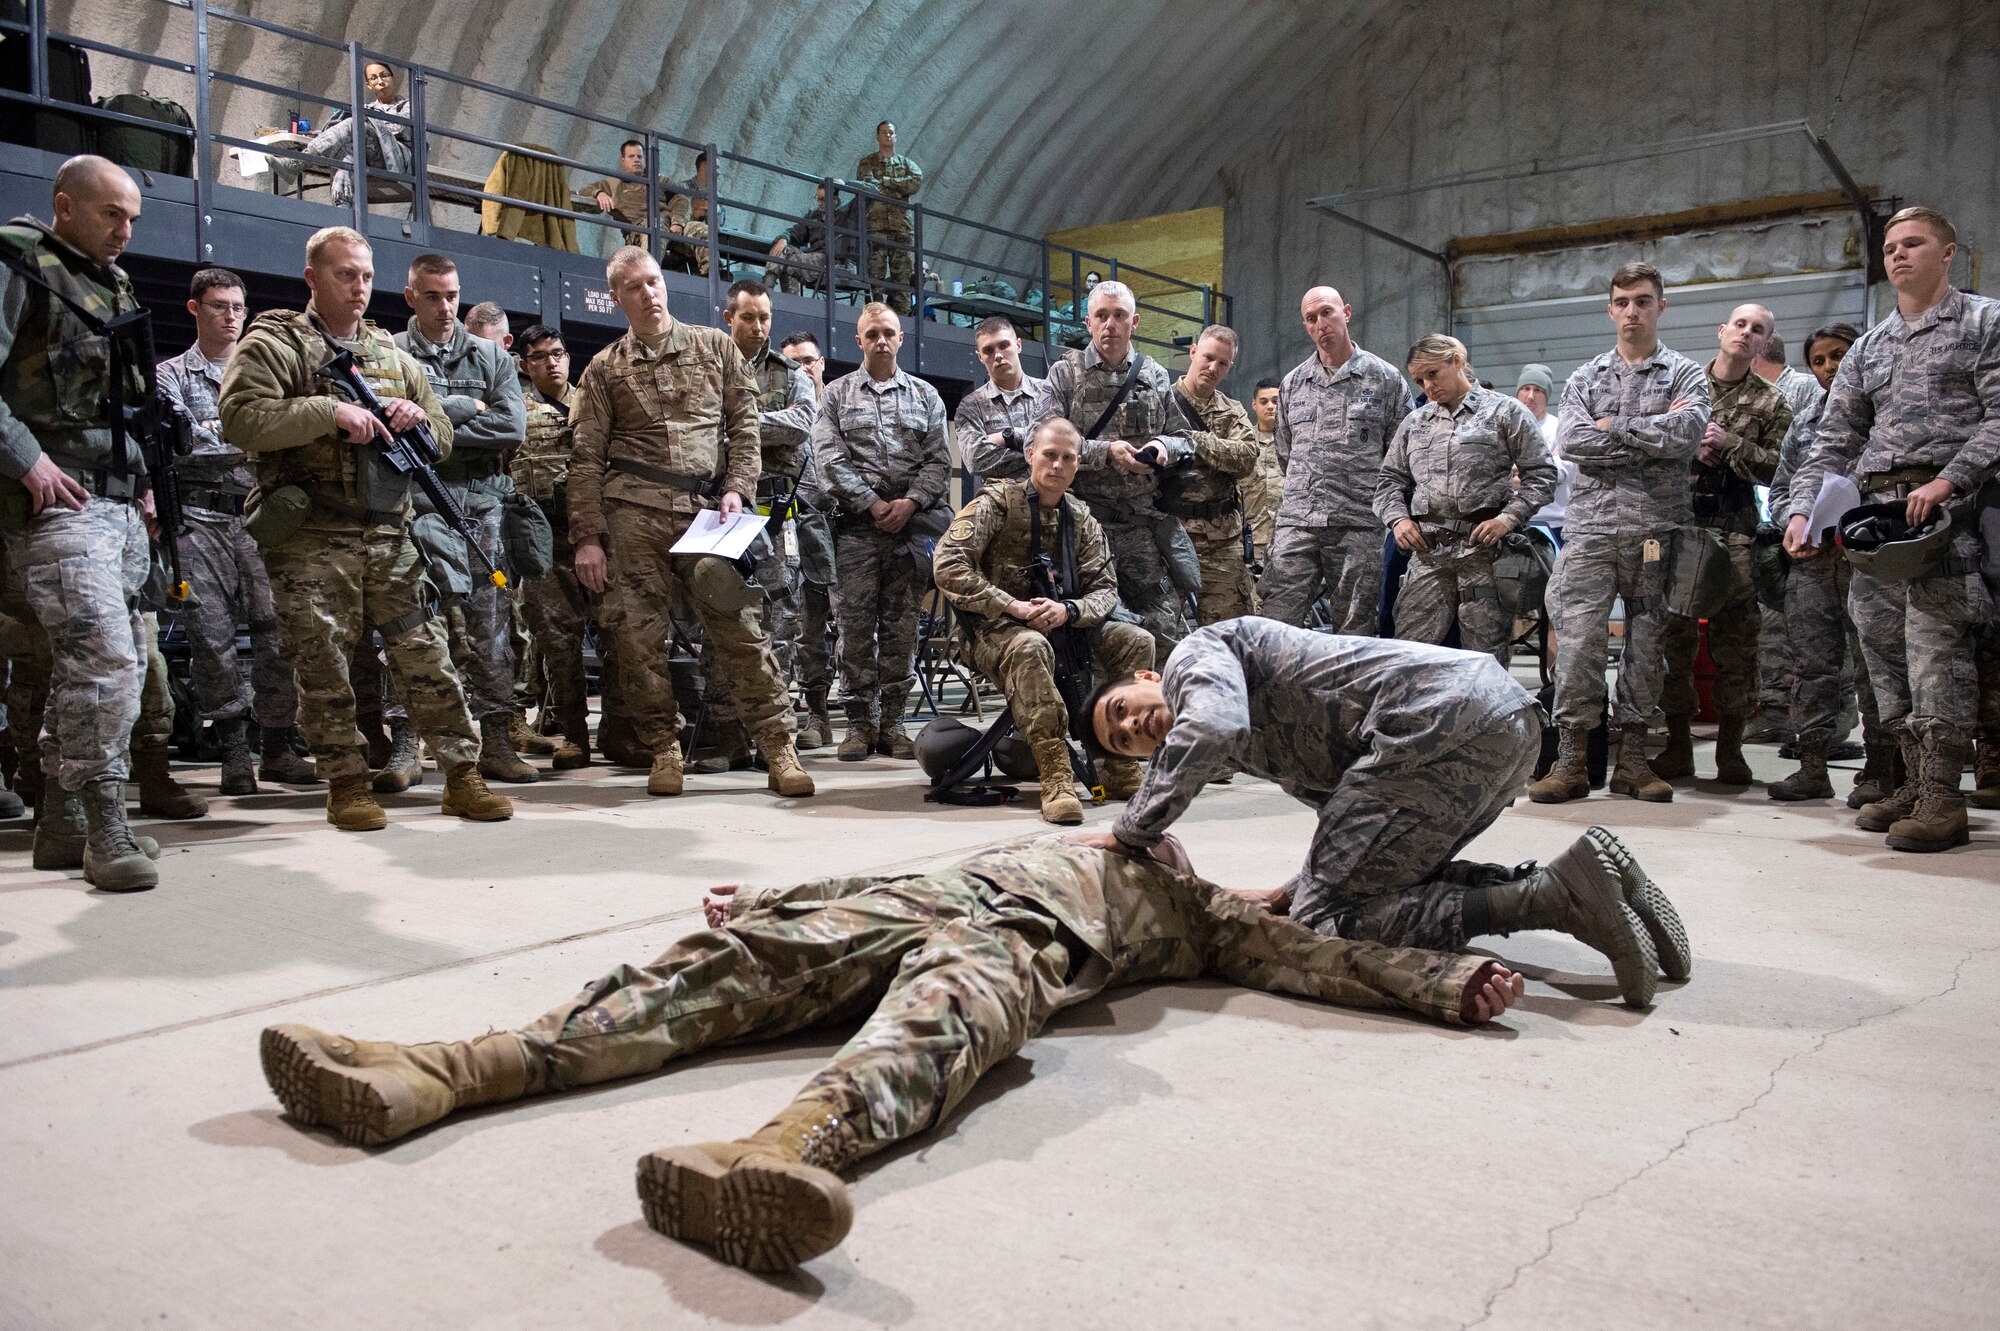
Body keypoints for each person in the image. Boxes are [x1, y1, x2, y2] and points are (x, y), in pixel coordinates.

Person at [258, 830, 1539, 1272]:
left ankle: (771, 1155)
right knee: (698, 978)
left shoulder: (1191, 909)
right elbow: (894, 869)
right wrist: (775, 895)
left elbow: (1316, 954)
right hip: (916, 900)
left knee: (936, 1034)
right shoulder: (1046, 830)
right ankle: (428, 1070)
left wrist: (1440, 977)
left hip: (1016, 947)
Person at [1074, 618, 1687, 1012]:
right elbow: (1348, 813)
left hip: (1431, 721)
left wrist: (1132, 832)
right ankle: (1596, 881)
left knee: (1323, 923)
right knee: (1365, 886)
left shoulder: (1193, 660)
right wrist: (1295, 887)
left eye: (1124, 709)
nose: (1132, 726)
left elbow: (1210, 726)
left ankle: (1551, 898)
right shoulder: (1245, 734)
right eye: (1124, 740)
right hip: (1502, 721)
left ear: (1146, 676)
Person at [218, 224, 514, 831]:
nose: (358, 288)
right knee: (323, 664)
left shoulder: (393, 357)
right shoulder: (276, 345)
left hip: (387, 532)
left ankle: (463, 774)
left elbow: (442, 435)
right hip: (311, 536)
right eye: (344, 275)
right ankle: (347, 783)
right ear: (312, 279)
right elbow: (241, 419)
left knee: (426, 654)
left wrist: (413, 417)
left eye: (366, 276)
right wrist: (329, 411)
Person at [1785, 206, 1999, 853]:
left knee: (1937, 650)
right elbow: (1834, 439)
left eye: (1913, 243)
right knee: (1882, 652)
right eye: (1890, 248)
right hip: (1877, 523)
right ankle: (1907, 780)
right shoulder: (1870, 347)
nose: (1898, 255)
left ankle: (1943, 797)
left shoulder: (1983, 322)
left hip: (1944, 517)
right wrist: (1802, 509)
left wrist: (1950, 479)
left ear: (1948, 251)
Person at [566, 247, 814, 799]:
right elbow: (584, 458)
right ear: (617, 298)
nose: (649, 293)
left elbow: (745, 427)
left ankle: (779, 746)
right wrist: (588, 536)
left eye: (654, 281)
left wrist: (737, 489)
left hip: (707, 513)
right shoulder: (604, 369)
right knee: (637, 638)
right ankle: (663, 747)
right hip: (633, 514)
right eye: (634, 287)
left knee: (740, 625)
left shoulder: (714, 347)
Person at [0, 156, 158, 889]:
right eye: (110, 215)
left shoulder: (111, 282)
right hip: (58, 503)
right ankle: (105, 825)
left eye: (131, 217)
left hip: (118, 502)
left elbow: (121, 404)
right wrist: (25, 458)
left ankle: (60, 823)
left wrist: (146, 485)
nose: (125, 230)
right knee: (108, 664)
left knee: (86, 666)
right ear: (65, 206)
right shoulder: (17, 261)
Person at [1528, 261, 1710, 805]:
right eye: (1623, 301)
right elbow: (1574, 442)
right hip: (1590, 532)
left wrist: (1616, 428)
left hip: (1656, 529)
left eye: (1643, 300)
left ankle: (1634, 761)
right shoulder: (1587, 376)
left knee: (1647, 646)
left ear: (1661, 306)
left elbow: (1688, 433)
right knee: (1580, 645)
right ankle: (1572, 762)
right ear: (1611, 309)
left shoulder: (1685, 374)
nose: (1633, 310)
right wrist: (1647, 433)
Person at [933, 418, 1153, 821]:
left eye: (1068, 458)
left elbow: (1106, 589)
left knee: (1136, 640)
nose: (1057, 466)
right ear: (1030, 454)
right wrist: (1011, 606)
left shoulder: (1081, 518)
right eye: (1049, 455)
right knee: (1030, 646)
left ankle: (1120, 764)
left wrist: (1068, 610)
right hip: (991, 629)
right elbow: (948, 564)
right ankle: (1055, 774)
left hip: (1064, 625)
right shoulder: (995, 504)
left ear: (1078, 464)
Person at [154, 267, 316, 794]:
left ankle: (275, 746)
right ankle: (231, 751)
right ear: (195, 309)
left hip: (261, 518)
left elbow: (286, 433)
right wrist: (254, 435)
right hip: (198, 523)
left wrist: (256, 431)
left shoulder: (264, 377)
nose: (231, 316)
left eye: (239, 307)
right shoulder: (170, 376)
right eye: (220, 305)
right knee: (212, 638)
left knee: (277, 634)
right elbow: (182, 444)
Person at [392, 254, 535, 784]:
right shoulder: (391, 352)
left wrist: (429, 425)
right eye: (432, 296)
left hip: (479, 512)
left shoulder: (489, 357)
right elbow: (388, 432)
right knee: (410, 628)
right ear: (411, 296)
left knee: (491, 629)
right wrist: (462, 410)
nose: (445, 306)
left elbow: (511, 429)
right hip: (413, 510)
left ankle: (495, 741)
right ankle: (406, 744)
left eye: (452, 295)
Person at [1651, 303, 1791, 787]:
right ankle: (1676, 747)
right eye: (1740, 324)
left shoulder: (1772, 403)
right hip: (1678, 526)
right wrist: (1685, 444)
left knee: (1737, 641)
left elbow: (1781, 469)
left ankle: (1731, 751)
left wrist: (1729, 444)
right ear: (1722, 330)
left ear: (1762, 344)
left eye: (1758, 330)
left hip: (1735, 529)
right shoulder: (1679, 384)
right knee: (1674, 639)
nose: (1746, 333)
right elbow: (1645, 441)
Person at [810, 301, 949, 760]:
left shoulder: (927, 396)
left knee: (901, 628)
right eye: (872, 334)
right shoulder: (835, 395)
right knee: (853, 628)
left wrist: (909, 503)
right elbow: (829, 460)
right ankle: (858, 724)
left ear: (901, 338)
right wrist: (871, 504)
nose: (881, 341)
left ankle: (892, 724)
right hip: (855, 532)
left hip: (909, 531)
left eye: (889, 332)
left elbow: (938, 460)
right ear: (859, 340)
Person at [1034, 280, 1196, 664]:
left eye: (1119, 315)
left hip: (1140, 527)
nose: (1110, 324)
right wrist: (1108, 453)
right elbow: (1038, 442)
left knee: (1164, 630)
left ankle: (1159, 714)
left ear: (1134, 322)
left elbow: (1185, 437)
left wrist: (1163, 447)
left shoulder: (1154, 375)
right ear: (1088, 323)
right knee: (1093, 633)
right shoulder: (1065, 375)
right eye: (1101, 316)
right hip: (1083, 528)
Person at [1376, 335, 1556, 664]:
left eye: (1432, 374)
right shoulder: (1415, 424)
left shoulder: (1505, 413)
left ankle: (1486, 717)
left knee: (1483, 660)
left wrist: (1508, 518)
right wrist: (1398, 520)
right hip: (1428, 555)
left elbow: (1542, 474)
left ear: (1456, 362)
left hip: (1483, 556)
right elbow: (1389, 480)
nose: (1427, 385)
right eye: (1419, 380)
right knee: (1411, 655)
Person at [709, 279, 822, 764]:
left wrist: (737, 418)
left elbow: (802, 424)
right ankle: (728, 739)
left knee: (781, 622)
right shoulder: (708, 367)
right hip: (720, 513)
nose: (758, 328)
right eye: (748, 318)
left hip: (774, 518)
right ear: (728, 318)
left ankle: (775, 737)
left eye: (765, 318)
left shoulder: (789, 373)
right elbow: (697, 427)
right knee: (718, 622)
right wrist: (755, 423)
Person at [1767, 323, 1879, 803]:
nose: (1830, 366)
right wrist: (1793, 529)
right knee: (1811, 667)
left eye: (1840, 355)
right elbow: (1779, 491)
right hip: (1812, 564)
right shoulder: (1804, 421)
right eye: (1819, 360)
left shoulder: (1883, 412)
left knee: (1873, 667)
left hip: (1867, 559)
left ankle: (1881, 769)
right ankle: (1812, 765)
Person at [1260, 285, 1415, 633]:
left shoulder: (1386, 380)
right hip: (1298, 522)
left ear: (1346, 312)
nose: (1320, 324)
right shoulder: (1293, 383)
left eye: (1327, 312)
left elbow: (1399, 456)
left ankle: (1348, 690)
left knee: (1355, 626)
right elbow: (1286, 451)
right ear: (1306, 326)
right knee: (1275, 621)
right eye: (1311, 319)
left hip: (1357, 523)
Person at [507, 323, 603, 770]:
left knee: (617, 634)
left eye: (559, 353)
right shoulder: (515, 409)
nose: (553, 362)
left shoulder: (592, 403)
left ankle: (623, 727)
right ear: (525, 364)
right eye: (541, 356)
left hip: (596, 537)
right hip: (543, 542)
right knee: (558, 641)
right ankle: (574, 734)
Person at [1170, 325, 1261, 625]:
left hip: (1220, 539)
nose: (1213, 368)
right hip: (1170, 534)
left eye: (1222, 363)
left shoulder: (1232, 412)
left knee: (1231, 631)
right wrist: (1220, 451)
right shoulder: (1161, 404)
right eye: (1208, 357)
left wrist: (1193, 440)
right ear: (1193, 351)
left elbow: (1246, 458)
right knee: (1163, 631)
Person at [780, 331, 837, 745]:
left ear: (822, 363)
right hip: (797, 527)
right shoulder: (783, 410)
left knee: (857, 629)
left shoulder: (841, 404)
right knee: (806, 626)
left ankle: (864, 716)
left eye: (809, 360)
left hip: (845, 525)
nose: (803, 368)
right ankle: (816, 716)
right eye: (793, 362)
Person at [303, 61, 412, 210]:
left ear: (392, 78)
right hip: (367, 155)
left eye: (384, 75)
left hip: (395, 158)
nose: (380, 81)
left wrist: (367, 122)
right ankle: (342, 206)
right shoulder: (366, 109)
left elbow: (399, 129)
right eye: (373, 78)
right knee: (347, 148)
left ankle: (303, 159)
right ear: (369, 85)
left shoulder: (409, 106)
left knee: (353, 124)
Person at [956, 316, 1051, 483]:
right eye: (988, 350)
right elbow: (975, 459)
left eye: (1004, 345)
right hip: (1000, 502)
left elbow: (1067, 444)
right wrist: (1041, 455)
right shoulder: (972, 405)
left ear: (1018, 345)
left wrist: (1008, 436)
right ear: (980, 357)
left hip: (1052, 500)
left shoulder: (1049, 393)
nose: (998, 355)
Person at [856, 122, 922, 314]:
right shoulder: (867, 163)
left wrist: (887, 182)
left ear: (896, 136)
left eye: (891, 132)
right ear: (877, 136)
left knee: (901, 278)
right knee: (874, 277)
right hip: (875, 228)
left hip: (901, 228)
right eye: (883, 132)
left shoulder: (906, 164)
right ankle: (874, 317)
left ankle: (901, 318)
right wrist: (898, 189)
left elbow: (915, 182)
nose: (887, 135)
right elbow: (868, 185)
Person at [1516, 363, 1575, 544]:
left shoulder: (1560, 429)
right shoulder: (1506, 428)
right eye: (1526, 389)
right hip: (1514, 522)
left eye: (1538, 390)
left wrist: (1518, 470)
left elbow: (1557, 472)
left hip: (1554, 524)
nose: (1531, 396)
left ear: (1547, 396)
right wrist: (1540, 466)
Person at [581, 140, 670, 251]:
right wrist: (599, 193)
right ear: (623, 161)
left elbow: (680, 200)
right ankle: (648, 267)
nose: (636, 160)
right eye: (631, 156)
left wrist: (678, 222)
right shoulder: (614, 183)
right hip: (641, 231)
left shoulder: (659, 180)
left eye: (640, 156)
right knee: (652, 226)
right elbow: (584, 191)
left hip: (669, 226)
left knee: (697, 229)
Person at [1242, 375, 1283, 578]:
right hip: (1253, 538)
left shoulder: (1295, 442)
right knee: (1255, 602)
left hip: (1288, 538)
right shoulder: (1242, 442)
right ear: (1254, 405)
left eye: (1276, 401)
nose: (1271, 407)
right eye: (1264, 401)